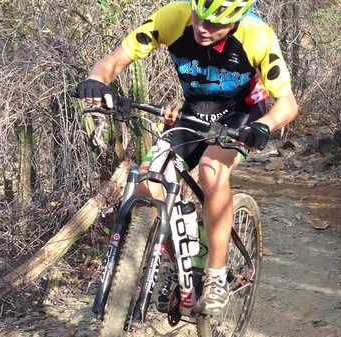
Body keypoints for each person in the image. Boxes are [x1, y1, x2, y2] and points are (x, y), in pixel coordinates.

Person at [75, 0, 298, 316]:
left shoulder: (256, 35)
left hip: (242, 113)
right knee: (144, 187)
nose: (202, 27)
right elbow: (114, 60)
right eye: (199, 15)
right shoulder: (173, 16)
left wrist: (265, 125)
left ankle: (216, 277)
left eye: (215, 24)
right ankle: (182, 267)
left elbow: (288, 103)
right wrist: (98, 79)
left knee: (210, 171)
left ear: (235, 21)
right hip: (194, 112)